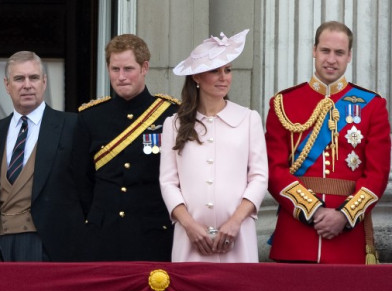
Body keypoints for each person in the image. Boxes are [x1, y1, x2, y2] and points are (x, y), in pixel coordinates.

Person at [265, 21, 391, 264]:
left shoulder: (372, 106)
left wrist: (344, 215)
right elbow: (273, 169)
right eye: (325, 51)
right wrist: (313, 211)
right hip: (296, 236)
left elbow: (377, 173)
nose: (331, 59)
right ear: (314, 50)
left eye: (339, 53)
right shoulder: (283, 103)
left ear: (349, 56)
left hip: (348, 236)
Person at [159, 30, 268, 262]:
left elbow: (259, 177)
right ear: (196, 77)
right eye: (214, 71)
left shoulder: (249, 119)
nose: (223, 77)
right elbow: (168, 182)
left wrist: (235, 222)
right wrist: (189, 225)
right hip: (190, 239)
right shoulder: (174, 124)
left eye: (227, 70)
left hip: (238, 237)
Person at [74, 34, 180, 261]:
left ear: (144, 68)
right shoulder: (90, 117)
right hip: (104, 235)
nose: (121, 77)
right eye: (115, 69)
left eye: (128, 69)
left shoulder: (171, 115)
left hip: (153, 234)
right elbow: (81, 180)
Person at [0, 51, 83, 261]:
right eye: (19, 79)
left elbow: (84, 188)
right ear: (7, 85)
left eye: (33, 78)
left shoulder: (72, 126)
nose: (27, 85)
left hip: (50, 244)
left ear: (44, 82)